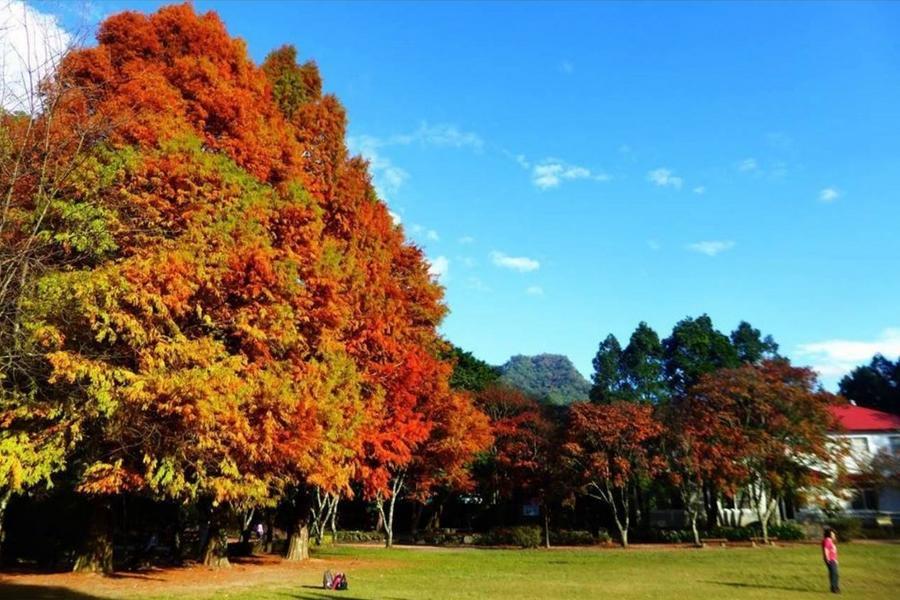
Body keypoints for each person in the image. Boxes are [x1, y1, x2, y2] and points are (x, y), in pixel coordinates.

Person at [822, 527, 840, 594]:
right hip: (830, 560)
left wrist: (836, 560)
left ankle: (836, 587)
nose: (833, 535)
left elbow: (834, 551)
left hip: (833, 560)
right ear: (829, 534)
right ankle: (834, 588)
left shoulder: (830, 540)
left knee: (836, 574)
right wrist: (827, 559)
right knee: (833, 574)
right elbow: (825, 549)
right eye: (832, 533)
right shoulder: (827, 540)